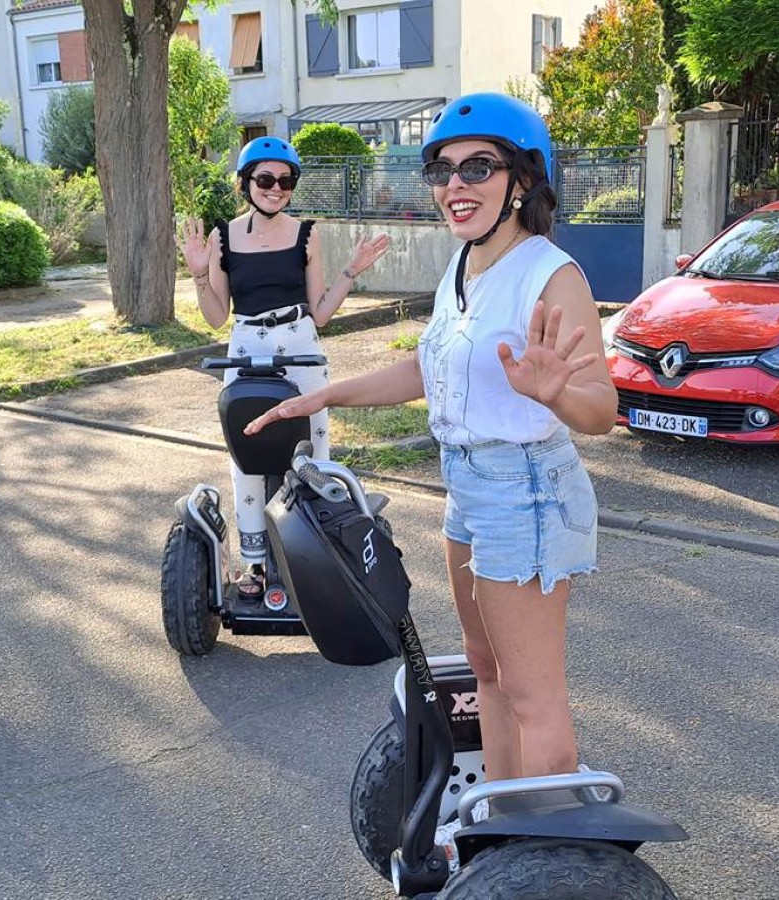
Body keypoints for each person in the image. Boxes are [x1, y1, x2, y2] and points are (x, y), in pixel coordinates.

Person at [245, 95, 616, 790]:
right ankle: (503, 828)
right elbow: (428, 368)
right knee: (485, 669)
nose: (455, 185)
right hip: (468, 487)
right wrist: (326, 394)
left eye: (478, 166)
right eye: (440, 170)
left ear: (524, 180)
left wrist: (556, 393)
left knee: (533, 695)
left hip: (526, 488)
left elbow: (601, 409)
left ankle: (545, 858)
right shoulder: (462, 269)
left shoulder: (550, 275)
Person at [178, 136, 390, 598]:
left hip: (299, 342)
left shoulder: (305, 234)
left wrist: (351, 272)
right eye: (265, 179)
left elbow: (320, 311)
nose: (276, 188)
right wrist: (198, 271)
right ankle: (253, 565)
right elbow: (216, 316)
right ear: (246, 183)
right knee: (247, 452)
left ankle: (316, 554)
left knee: (310, 454)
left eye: (286, 180)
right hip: (246, 342)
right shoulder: (223, 236)